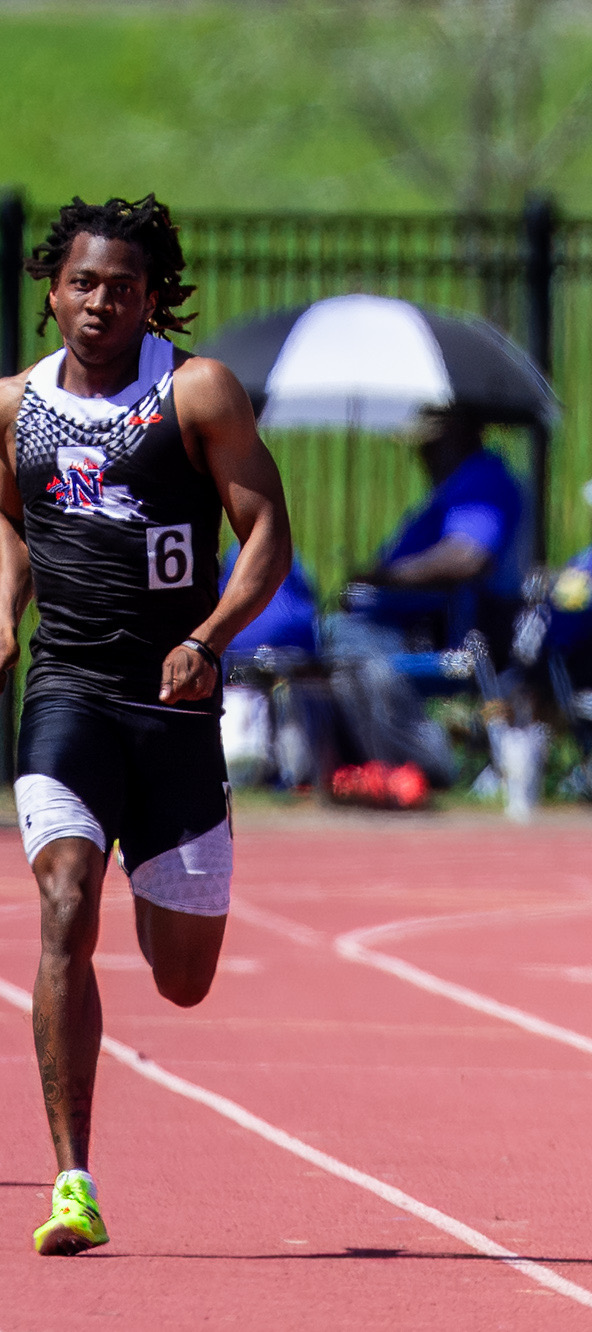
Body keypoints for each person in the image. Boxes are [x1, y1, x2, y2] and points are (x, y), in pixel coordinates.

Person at [0, 195, 292, 1255]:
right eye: (82, 282)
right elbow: (11, 519)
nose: (98, 302)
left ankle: (156, 864)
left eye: (121, 286)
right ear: (51, 290)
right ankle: (71, 1180)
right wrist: (3, 612)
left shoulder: (194, 392)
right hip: (67, 693)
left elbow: (267, 535)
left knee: (182, 979)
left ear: (152, 297)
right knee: (62, 902)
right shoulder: (12, 406)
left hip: (173, 709)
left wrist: (210, 638)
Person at [345, 406, 523, 653]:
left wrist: (386, 578)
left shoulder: (482, 478)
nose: (423, 456)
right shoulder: (465, 480)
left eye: (431, 446)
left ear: (459, 433)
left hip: (423, 632)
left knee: (320, 644)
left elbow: (467, 557)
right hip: (402, 623)